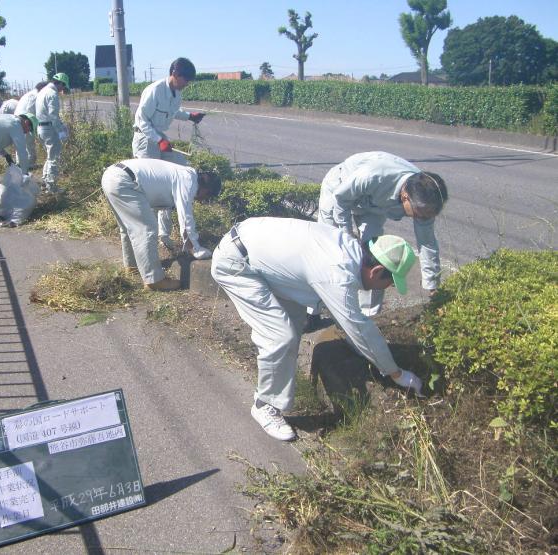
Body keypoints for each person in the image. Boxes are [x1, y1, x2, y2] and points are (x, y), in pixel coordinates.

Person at [211, 218, 423, 441]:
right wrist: (397, 373)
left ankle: (272, 391)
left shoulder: (348, 250)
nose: (389, 287)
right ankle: (264, 405)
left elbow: (349, 321)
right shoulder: (336, 273)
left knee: (293, 325)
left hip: (255, 252)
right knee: (280, 336)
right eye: (390, 281)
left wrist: (364, 347)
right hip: (237, 265)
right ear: (376, 271)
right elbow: (359, 327)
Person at [318, 151, 448, 316]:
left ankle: (369, 315)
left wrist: (432, 286)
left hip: (373, 207)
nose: (421, 219)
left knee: (376, 258)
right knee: (329, 251)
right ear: (405, 196)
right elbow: (341, 199)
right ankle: (313, 311)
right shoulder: (373, 175)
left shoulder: (425, 202)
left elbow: (427, 243)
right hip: (340, 190)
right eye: (418, 213)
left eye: (426, 215)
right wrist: (347, 236)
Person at [101, 159, 221, 291]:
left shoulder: (183, 174)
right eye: (207, 196)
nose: (203, 200)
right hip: (125, 181)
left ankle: (132, 266)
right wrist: (196, 248)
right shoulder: (189, 181)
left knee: (129, 227)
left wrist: (166, 237)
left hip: (112, 176)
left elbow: (165, 211)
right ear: (206, 189)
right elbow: (186, 217)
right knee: (147, 229)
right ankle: (154, 281)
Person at [132, 57, 206, 250]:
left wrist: (190, 116)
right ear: (175, 74)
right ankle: (145, 236)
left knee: (178, 172)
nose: (187, 84)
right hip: (145, 141)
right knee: (150, 187)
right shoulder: (154, 90)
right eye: (186, 80)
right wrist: (160, 140)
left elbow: (173, 112)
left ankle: (163, 234)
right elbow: (141, 120)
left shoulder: (176, 93)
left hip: (159, 139)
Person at [35, 73, 69, 193]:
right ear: (60, 83)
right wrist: (61, 131)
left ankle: (45, 182)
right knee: (54, 158)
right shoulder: (52, 94)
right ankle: (52, 187)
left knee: (49, 157)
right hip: (49, 128)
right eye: (63, 87)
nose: (62, 90)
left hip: (41, 128)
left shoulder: (43, 91)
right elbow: (53, 116)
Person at [14, 82, 47, 165]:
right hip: (25, 121)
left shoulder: (29, 94)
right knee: (28, 143)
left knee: (22, 144)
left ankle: (21, 164)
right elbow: (30, 111)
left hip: (19, 120)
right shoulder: (35, 96)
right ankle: (29, 164)